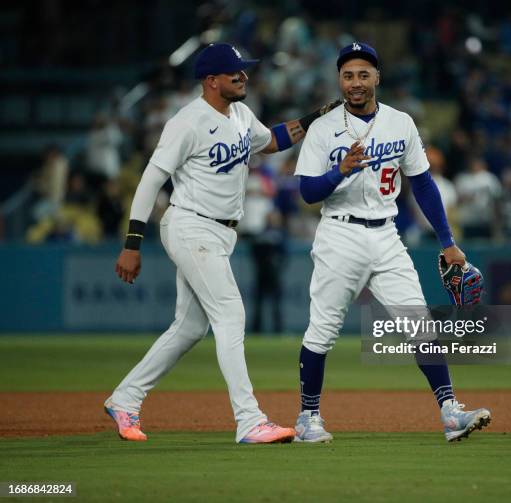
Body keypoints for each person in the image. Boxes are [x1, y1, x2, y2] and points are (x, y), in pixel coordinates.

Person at [104, 43, 339, 444]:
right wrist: (132, 242)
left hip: (221, 232)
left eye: (243, 72)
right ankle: (249, 419)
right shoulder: (187, 121)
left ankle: (125, 398)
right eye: (235, 73)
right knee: (230, 314)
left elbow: (272, 141)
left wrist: (316, 118)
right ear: (211, 81)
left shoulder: (241, 113)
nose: (243, 77)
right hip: (191, 226)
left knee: (190, 327)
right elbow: (151, 179)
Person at [293, 42, 491, 443]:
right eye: (348, 75)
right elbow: (308, 192)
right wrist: (339, 171)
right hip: (339, 233)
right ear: (339, 80)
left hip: (386, 233)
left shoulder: (400, 122)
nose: (355, 82)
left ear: (377, 77)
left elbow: (422, 183)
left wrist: (447, 241)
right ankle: (307, 419)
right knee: (323, 330)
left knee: (419, 323)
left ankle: (451, 412)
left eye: (364, 74)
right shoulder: (322, 128)